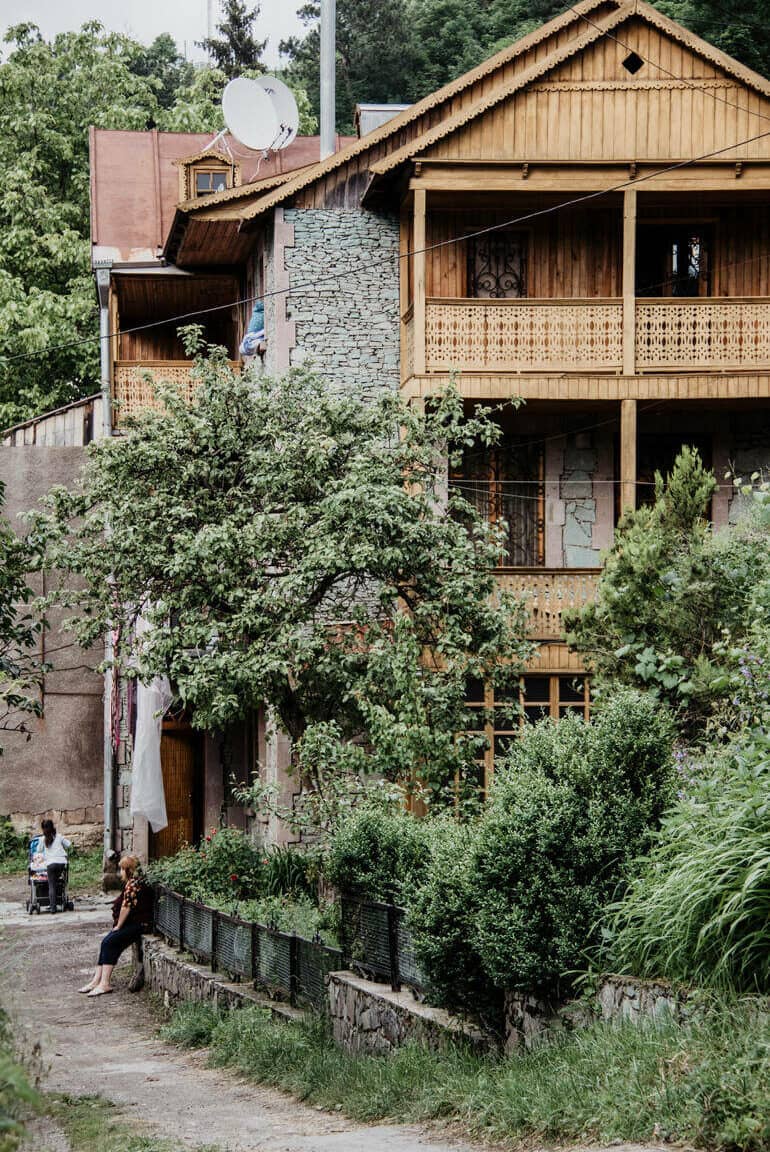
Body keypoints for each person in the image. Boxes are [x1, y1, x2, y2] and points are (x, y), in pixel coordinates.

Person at [78, 855, 153, 997]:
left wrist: (119, 926)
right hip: (136, 923)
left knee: (111, 941)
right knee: (106, 941)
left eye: (122, 869)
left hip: (140, 924)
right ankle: (96, 981)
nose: (120, 872)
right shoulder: (133, 882)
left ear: (128, 869)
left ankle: (104, 983)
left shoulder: (133, 884)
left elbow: (126, 907)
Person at [38, 819, 70, 914]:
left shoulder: (42, 839)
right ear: (53, 827)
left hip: (50, 864)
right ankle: (60, 900)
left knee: (51, 885)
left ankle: (53, 908)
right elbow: (69, 844)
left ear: (43, 829)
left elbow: (39, 850)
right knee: (57, 881)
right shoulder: (59, 837)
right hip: (61, 863)